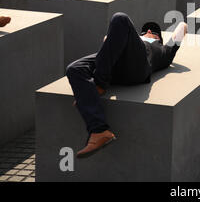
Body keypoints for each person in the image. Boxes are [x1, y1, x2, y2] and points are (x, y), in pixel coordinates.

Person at [66, 12, 188, 158]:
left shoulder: (164, 51)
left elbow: (182, 26)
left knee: (120, 18)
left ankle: (98, 85)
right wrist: (113, 39)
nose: (148, 31)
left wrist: (181, 26)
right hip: (113, 65)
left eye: (153, 32)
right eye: (145, 31)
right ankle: (99, 131)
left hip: (136, 68)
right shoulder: (130, 38)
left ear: (159, 39)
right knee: (74, 69)